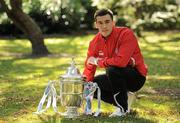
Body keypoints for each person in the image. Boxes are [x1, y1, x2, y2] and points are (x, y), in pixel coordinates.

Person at [82, 8, 148, 117]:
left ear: (113, 22)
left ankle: (122, 109)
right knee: (92, 86)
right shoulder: (94, 42)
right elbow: (89, 67)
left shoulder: (126, 34)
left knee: (112, 69)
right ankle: (124, 100)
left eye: (107, 22)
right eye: (100, 23)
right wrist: (85, 85)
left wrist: (99, 61)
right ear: (96, 25)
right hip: (115, 76)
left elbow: (121, 62)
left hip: (136, 77)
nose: (104, 26)